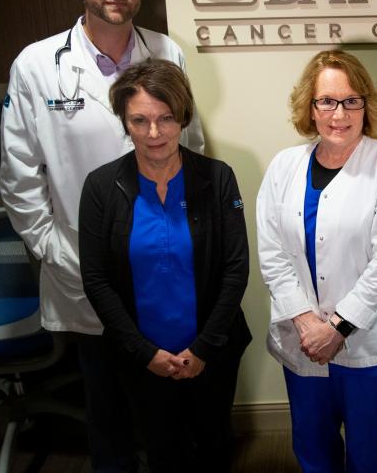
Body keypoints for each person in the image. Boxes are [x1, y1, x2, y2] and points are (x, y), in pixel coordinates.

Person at [0, 0, 204, 471]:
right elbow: (19, 176)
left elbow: (193, 147)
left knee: (170, 414)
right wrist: (53, 250)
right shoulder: (37, 66)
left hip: (164, 265)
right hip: (83, 266)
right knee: (108, 415)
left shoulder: (167, 52)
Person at [78, 60, 250, 471]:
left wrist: (204, 348)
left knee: (214, 448)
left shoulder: (217, 178)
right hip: (142, 359)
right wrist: (145, 353)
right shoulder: (101, 187)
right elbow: (96, 279)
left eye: (166, 118)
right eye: (140, 120)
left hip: (211, 353)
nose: (154, 133)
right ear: (125, 121)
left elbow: (236, 268)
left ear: (183, 117)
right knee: (162, 454)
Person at [256, 50, 377, 473]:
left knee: (365, 455)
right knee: (312, 448)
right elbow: (272, 253)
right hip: (302, 338)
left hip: (368, 346)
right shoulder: (283, 166)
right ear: (310, 107)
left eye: (351, 101)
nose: (339, 113)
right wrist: (307, 322)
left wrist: (338, 327)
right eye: (326, 101)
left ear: (367, 105)